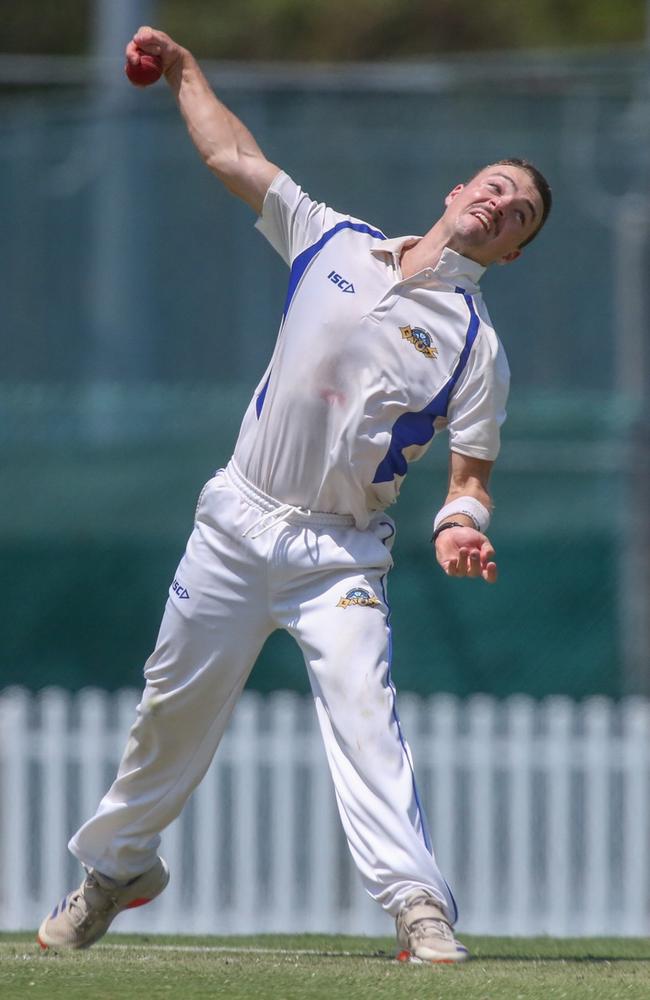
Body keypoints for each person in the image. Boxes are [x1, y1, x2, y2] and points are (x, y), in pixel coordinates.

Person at [37, 26, 551, 962]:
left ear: (512, 251)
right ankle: (117, 871)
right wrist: (187, 72)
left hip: (338, 555)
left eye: (517, 211)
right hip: (236, 524)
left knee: (365, 712)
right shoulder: (333, 239)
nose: (498, 200)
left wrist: (457, 525)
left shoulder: (477, 347)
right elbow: (233, 154)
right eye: (492, 184)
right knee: (170, 710)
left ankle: (418, 906)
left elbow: (467, 478)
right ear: (454, 193)